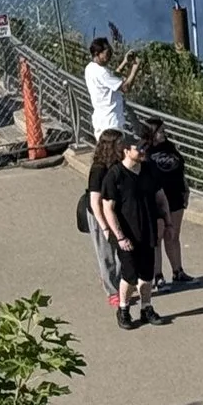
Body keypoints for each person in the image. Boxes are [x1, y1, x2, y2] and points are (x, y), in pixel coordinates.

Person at [99, 135, 166, 329]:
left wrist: (166, 221)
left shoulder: (147, 171)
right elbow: (107, 208)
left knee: (147, 276)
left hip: (148, 232)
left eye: (144, 148)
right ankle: (123, 309)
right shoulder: (115, 175)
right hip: (127, 236)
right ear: (126, 151)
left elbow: (159, 197)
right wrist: (120, 236)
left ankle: (147, 308)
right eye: (139, 149)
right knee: (129, 276)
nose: (143, 152)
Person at [139, 118, 192, 287]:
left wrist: (185, 188)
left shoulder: (169, 146)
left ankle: (178, 271)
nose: (164, 134)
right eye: (161, 131)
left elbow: (179, 167)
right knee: (157, 238)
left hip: (175, 195)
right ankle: (157, 275)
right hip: (157, 199)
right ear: (152, 133)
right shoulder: (144, 150)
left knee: (173, 235)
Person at [82, 129, 124, 308]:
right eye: (121, 143)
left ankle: (122, 282)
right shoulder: (98, 169)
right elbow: (95, 202)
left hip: (117, 211)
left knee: (123, 249)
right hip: (99, 214)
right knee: (106, 252)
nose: (124, 146)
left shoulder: (120, 163)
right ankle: (112, 290)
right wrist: (105, 227)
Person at [82, 36, 138, 140]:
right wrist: (135, 68)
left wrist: (125, 62)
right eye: (107, 54)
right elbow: (125, 88)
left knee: (105, 153)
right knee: (113, 154)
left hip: (101, 120)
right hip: (111, 123)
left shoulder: (90, 68)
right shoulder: (102, 72)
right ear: (97, 54)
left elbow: (110, 79)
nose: (109, 57)